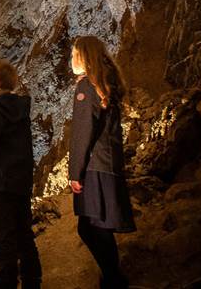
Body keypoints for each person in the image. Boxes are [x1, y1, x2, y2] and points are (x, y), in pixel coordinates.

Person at [68, 36, 136, 289]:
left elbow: (83, 131)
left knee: (93, 228)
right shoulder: (107, 81)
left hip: (95, 164)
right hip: (107, 161)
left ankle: (114, 280)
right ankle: (112, 278)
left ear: (84, 56)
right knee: (94, 227)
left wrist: (75, 171)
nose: (71, 59)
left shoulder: (86, 86)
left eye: (74, 53)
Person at [0, 59, 42, 289]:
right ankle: (33, 282)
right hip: (20, 183)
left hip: (0, 185)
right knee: (24, 234)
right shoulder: (20, 108)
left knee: (4, 241)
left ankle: (6, 283)